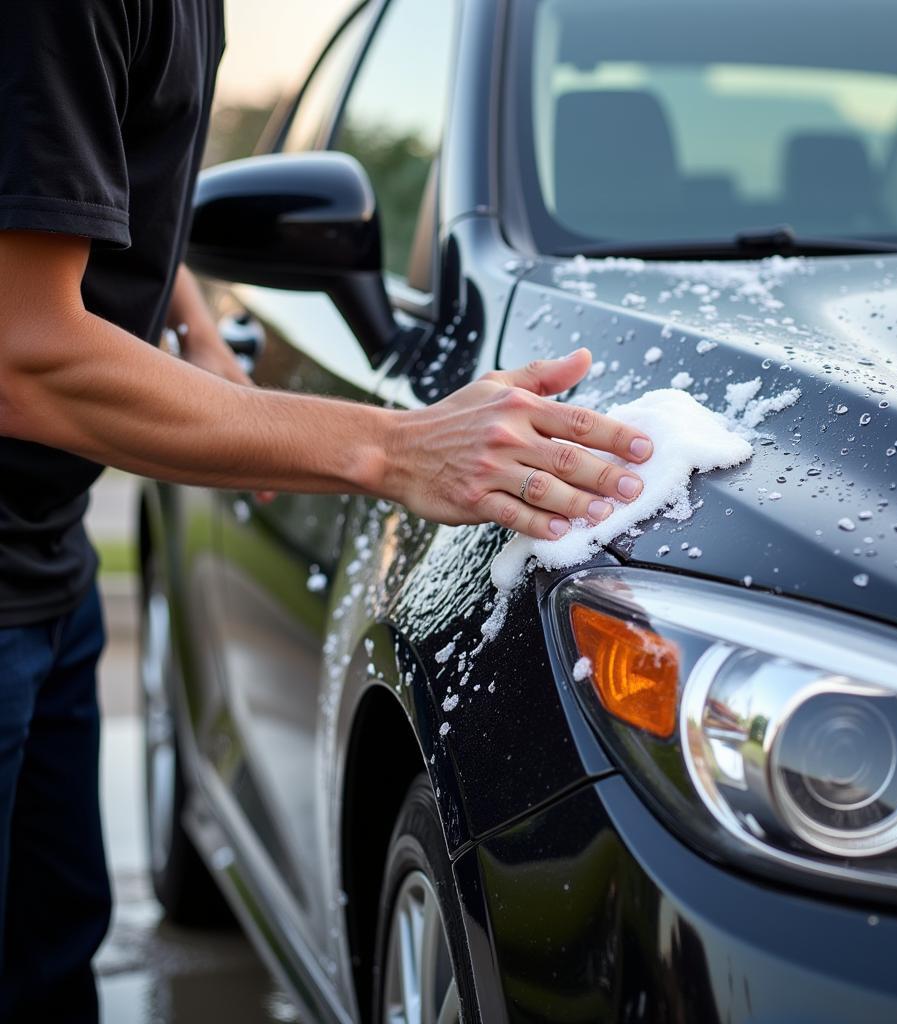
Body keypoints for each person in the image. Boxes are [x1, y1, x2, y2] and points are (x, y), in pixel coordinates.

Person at [0, 2, 653, 1019]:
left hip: (42, 555)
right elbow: (23, 355)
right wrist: (395, 447)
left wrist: (191, 323)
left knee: (47, 961)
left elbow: (74, 179)